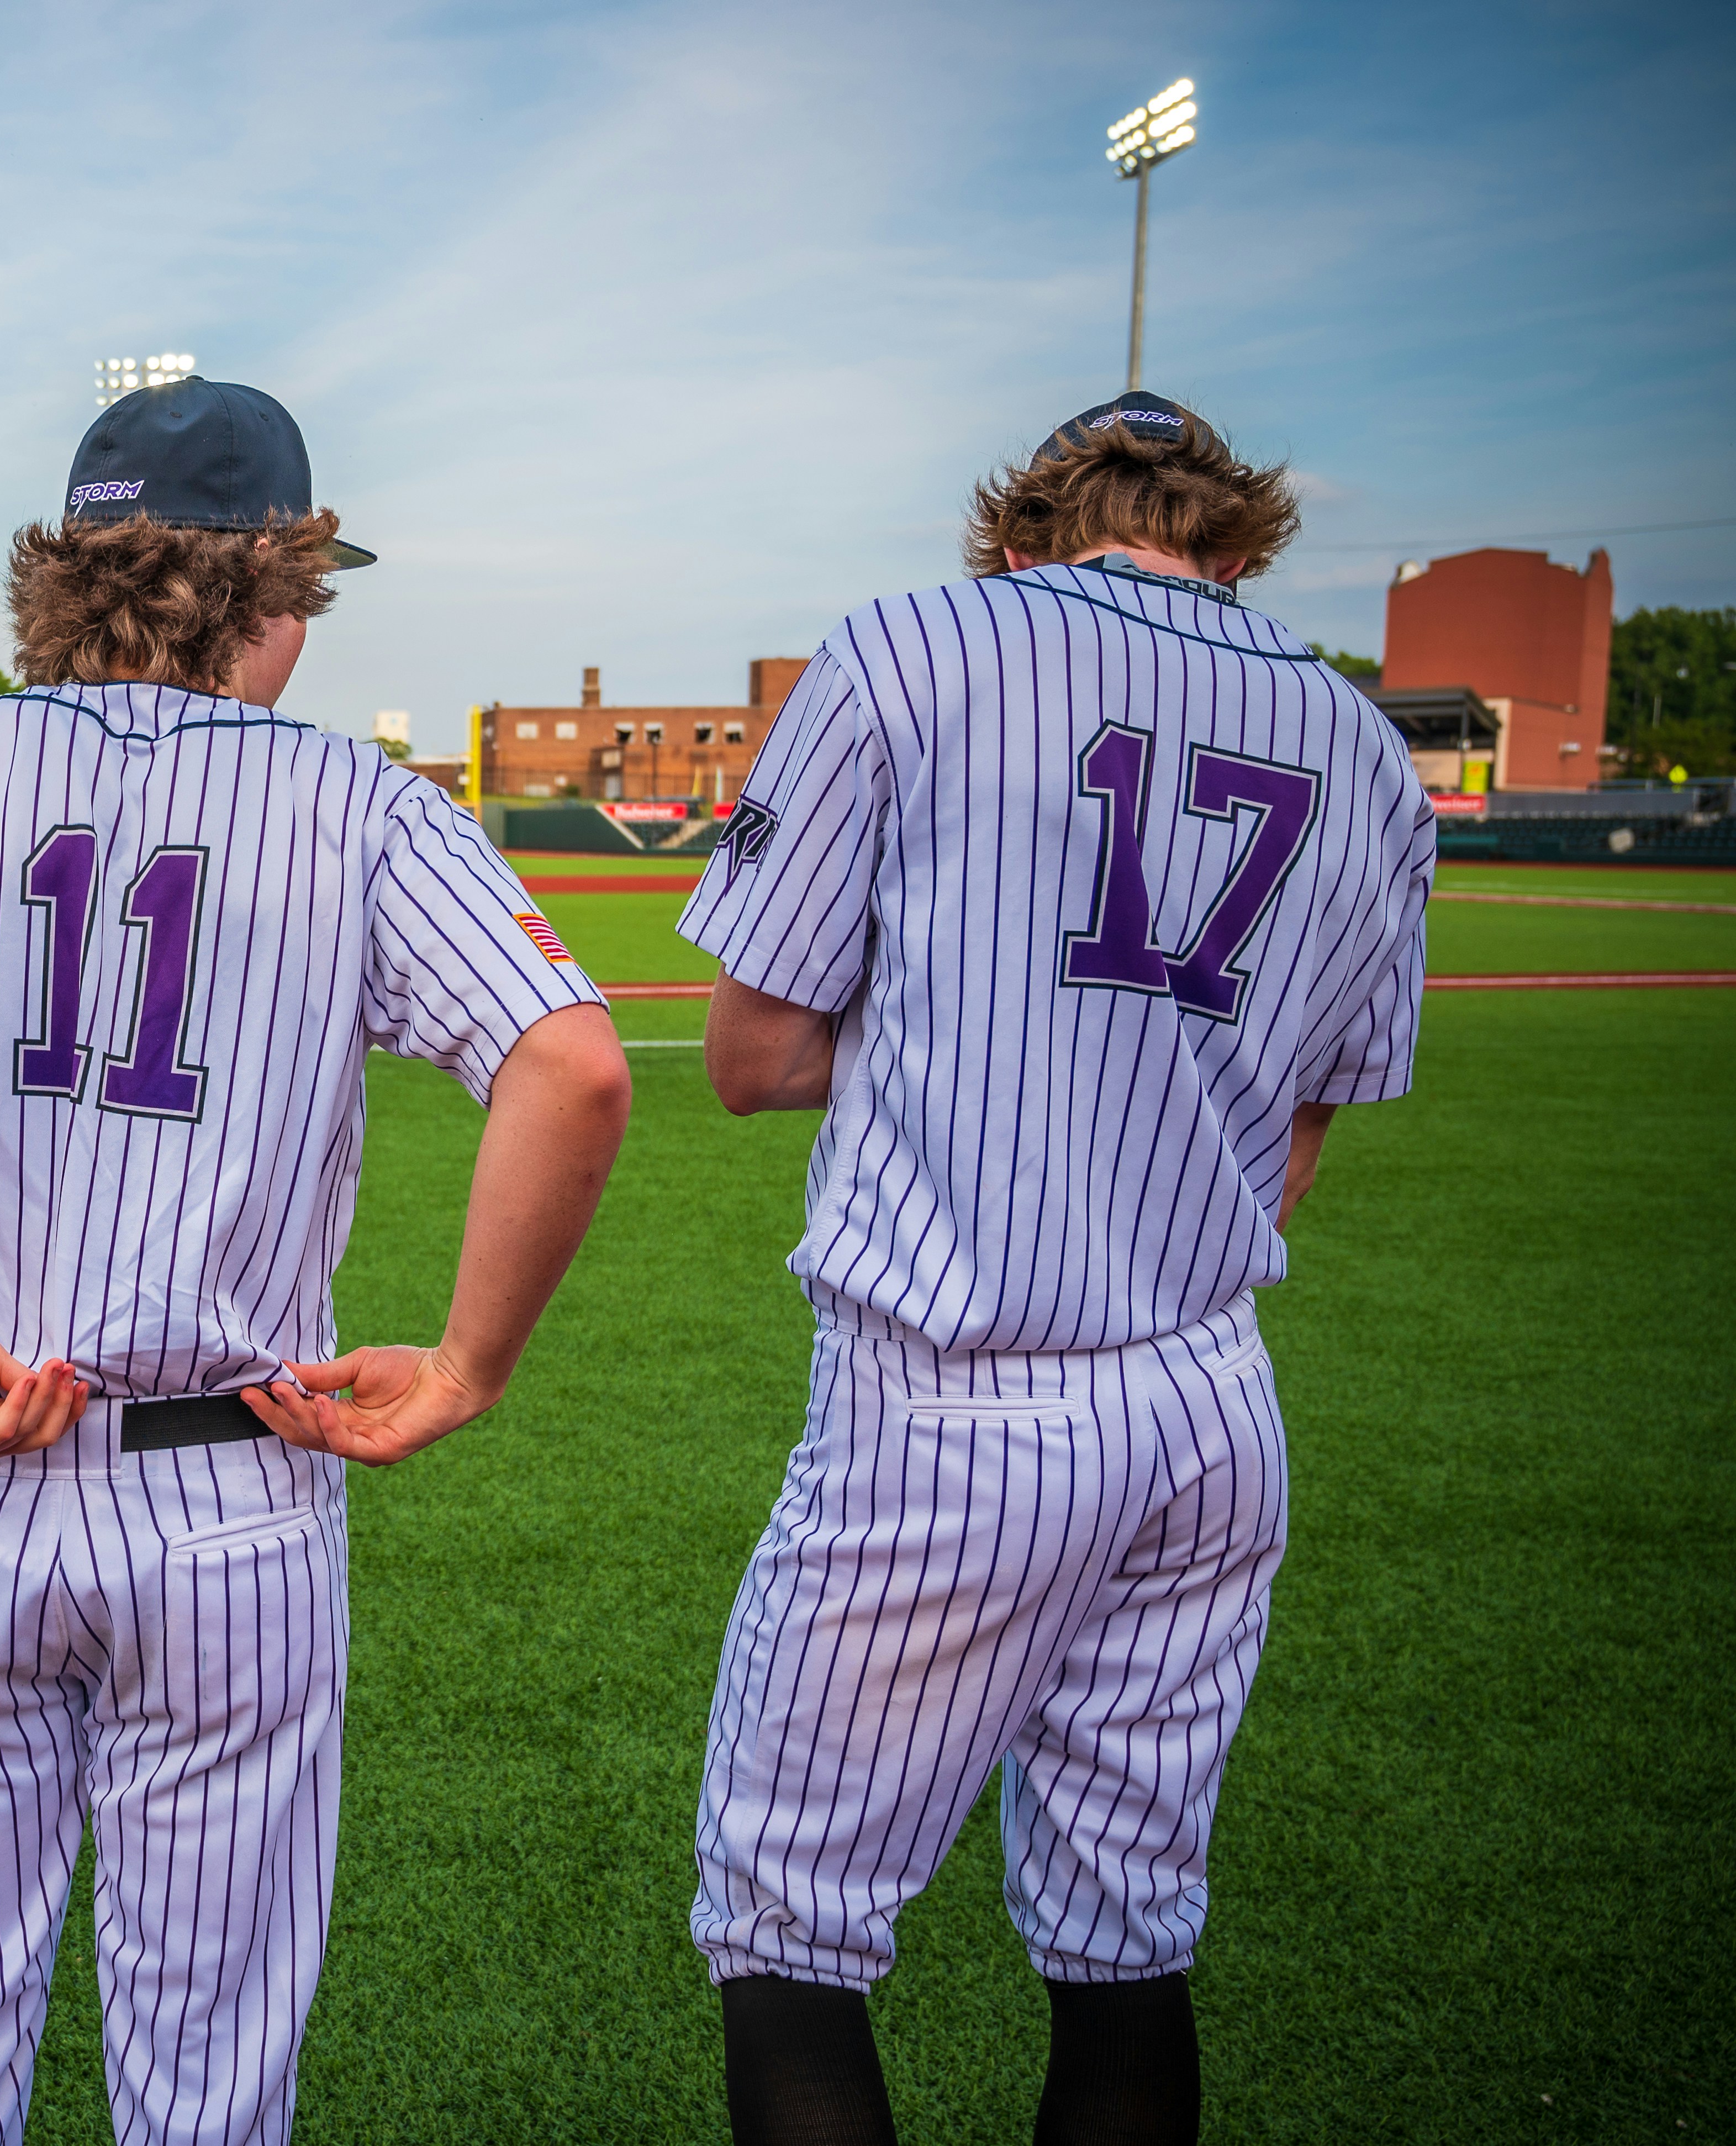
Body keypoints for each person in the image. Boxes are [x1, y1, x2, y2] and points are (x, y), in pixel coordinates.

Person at [0, 375, 634, 2146]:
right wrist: (472, 1365)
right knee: (207, 2068)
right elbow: (571, 1065)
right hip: (235, 1487)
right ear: (273, 587)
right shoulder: (363, 803)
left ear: (68, 572)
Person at [675, 393, 1437, 2144]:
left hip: (953, 1396)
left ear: (1020, 535)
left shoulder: (912, 645)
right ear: (1236, 550)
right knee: (1126, 1939)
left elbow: (752, 1056)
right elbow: (1310, 1133)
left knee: (789, 1925)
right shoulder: (1362, 739)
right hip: (1209, 1401)